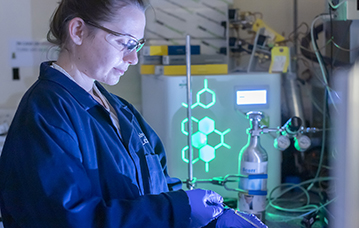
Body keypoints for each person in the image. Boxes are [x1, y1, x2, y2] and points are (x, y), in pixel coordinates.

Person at [0, 0, 267, 227]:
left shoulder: (120, 110)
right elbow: (69, 219)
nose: (133, 59)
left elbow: (158, 187)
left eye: (137, 45)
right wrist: (178, 210)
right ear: (78, 31)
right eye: (125, 43)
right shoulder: (46, 112)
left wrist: (206, 217)